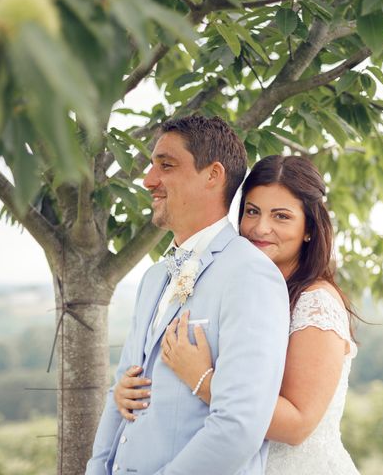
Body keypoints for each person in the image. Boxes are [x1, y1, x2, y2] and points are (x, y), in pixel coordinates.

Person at [115, 155, 361, 473]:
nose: (261, 228)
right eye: (252, 211)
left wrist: (202, 380)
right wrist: (132, 393)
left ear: (309, 229)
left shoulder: (315, 304)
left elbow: (298, 425)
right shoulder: (237, 289)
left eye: (282, 216)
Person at [86, 116, 290, 475]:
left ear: (212, 175)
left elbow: (238, 427)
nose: (149, 180)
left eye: (166, 165)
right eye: (152, 166)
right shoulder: (153, 278)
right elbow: (121, 395)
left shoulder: (251, 276)